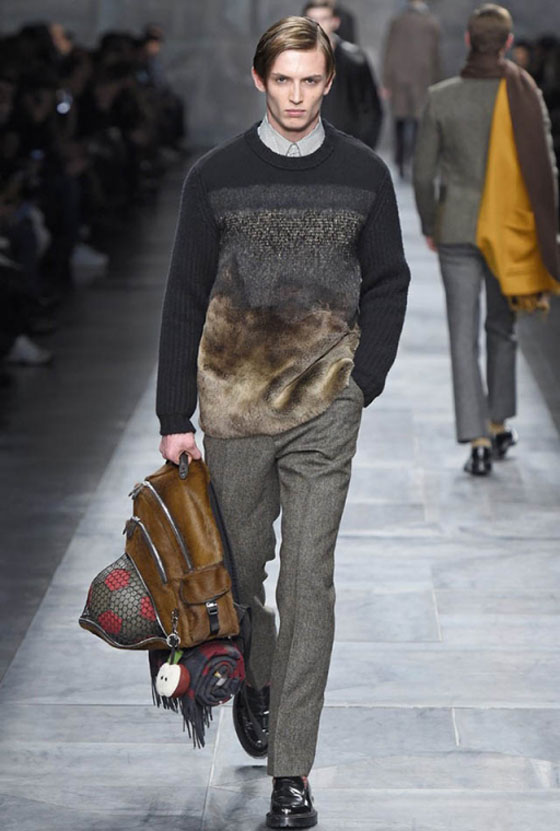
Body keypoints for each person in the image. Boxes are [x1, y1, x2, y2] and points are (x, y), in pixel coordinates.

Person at [156, 15, 409, 828]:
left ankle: (291, 769)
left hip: (325, 404)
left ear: (329, 82)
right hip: (232, 404)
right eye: (283, 80)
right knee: (239, 576)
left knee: (308, 580)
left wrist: (360, 384)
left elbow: (389, 280)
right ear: (260, 80)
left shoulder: (364, 172)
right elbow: (185, 291)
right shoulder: (216, 176)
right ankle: (257, 675)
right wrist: (173, 411)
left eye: (310, 81)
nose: (296, 96)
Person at [413, 4, 560, 476]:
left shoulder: (441, 98)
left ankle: (475, 436)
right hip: (508, 226)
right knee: (502, 326)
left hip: (456, 227)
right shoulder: (525, 93)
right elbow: (546, 168)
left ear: (468, 41)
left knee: (462, 334)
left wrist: (430, 224)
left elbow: (422, 173)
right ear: (509, 43)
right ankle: (498, 422)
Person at [303, 0, 382, 149]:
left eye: (323, 19)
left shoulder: (355, 60)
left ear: (335, 22)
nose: (318, 25)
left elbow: (371, 108)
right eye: (312, 20)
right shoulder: (294, 60)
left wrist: (363, 148)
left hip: (347, 147)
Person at [382, 0, 441, 178]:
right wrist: (437, 83)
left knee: (400, 120)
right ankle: (414, 161)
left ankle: (401, 161)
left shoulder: (398, 21)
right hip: (422, 79)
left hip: (399, 78)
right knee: (418, 122)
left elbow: (389, 51)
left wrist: (387, 81)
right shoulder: (431, 23)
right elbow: (435, 57)